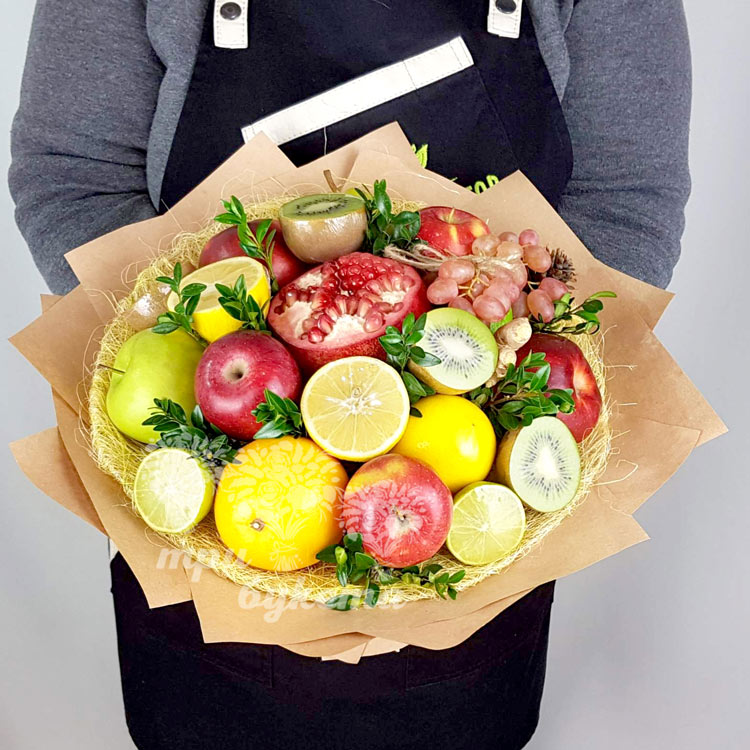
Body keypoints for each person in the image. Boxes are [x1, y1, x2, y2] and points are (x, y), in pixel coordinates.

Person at [9, 2, 691, 748]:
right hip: (208, 567)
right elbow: (76, 173)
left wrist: (527, 343)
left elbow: (626, 192)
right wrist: (170, 319)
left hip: (473, 574)